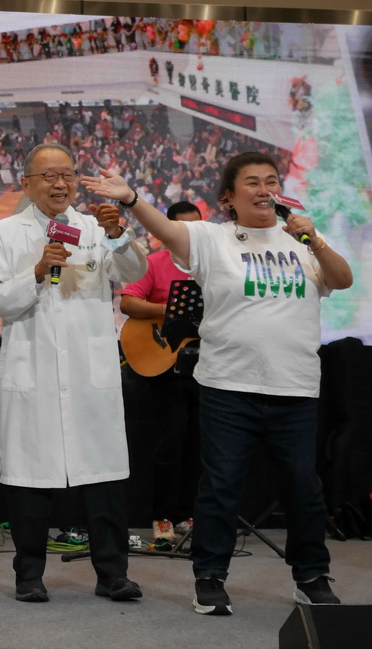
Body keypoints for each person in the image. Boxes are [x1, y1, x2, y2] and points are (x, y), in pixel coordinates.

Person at [82, 151, 353, 615]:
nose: (265, 189)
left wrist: (314, 240)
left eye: (271, 181)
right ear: (228, 197)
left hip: (295, 387)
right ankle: (209, 576)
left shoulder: (302, 240)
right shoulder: (213, 238)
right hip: (229, 385)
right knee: (221, 485)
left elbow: (342, 279)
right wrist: (131, 198)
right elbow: (167, 230)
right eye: (253, 182)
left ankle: (311, 575)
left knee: (304, 488)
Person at [0, 142, 148, 603]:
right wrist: (37, 271)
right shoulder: (6, 232)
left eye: (67, 175)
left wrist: (118, 235)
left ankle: (113, 575)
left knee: (103, 479)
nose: (60, 184)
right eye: (49, 176)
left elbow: (134, 270)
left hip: (89, 373)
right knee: (31, 480)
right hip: (32, 370)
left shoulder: (95, 227)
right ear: (27, 183)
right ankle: (29, 576)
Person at [119, 202, 202, 545]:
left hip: (209, 367)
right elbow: (128, 302)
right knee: (173, 440)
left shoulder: (215, 265)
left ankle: (189, 513)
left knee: (201, 443)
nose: (189, 236)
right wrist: (167, 309)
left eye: (196, 229)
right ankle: (164, 515)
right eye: (181, 229)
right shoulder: (154, 263)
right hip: (168, 369)